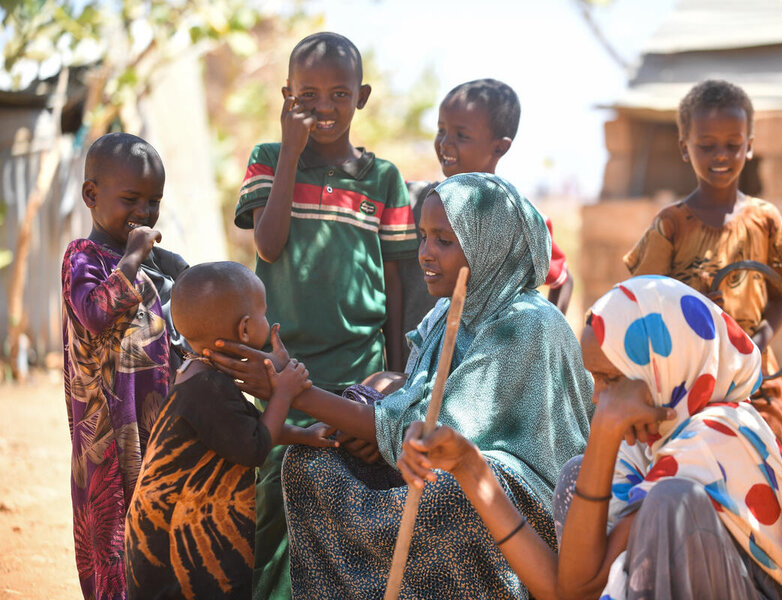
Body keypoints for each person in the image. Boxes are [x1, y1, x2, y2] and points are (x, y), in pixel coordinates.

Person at [209, 173, 593, 599]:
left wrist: (293, 391)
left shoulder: (525, 325)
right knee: (308, 465)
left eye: (444, 241)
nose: (425, 254)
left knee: (453, 497)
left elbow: (443, 433)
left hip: (516, 499)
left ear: (490, 245)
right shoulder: (449, 313)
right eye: (422, 237)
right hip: (441, 460)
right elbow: (414, 403)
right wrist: (377, 433)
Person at [399, 276, 782, 600]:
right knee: (580, 477)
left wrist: (606, 432)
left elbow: (580, 585)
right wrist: (469, 467)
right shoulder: (645, 450)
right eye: (595, 379)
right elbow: (566, 590)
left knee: (670, 505)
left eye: (611, 379)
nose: (598, 397)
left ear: (662, 369)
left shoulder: (718, 435)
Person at [232, 31, 418, 597]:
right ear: (287, 96)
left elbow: (396, 281)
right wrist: (290, 151)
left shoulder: (383, 179)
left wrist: (398, 375)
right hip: (281, 366)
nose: (324, 107)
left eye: (339, 94)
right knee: (273, 501)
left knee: (345, 503)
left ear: (360, 98)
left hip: (358, 370)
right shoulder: (269, 159)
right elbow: (267, 244)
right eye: (307, 95)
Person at [124, 262, 337, 599]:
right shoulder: (208, 387)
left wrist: (306, 435)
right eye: (264, 312)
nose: (269, 319)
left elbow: (246, 428)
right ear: (245, 329)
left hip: (166, 537)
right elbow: (253, 447)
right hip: (178, 550)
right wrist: (284, 392)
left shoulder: (197, 373)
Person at [624, 79, 782, 453]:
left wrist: (753, 346)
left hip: (755, 379)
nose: (721, 155)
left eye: (733, 145)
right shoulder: (670, 225)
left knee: (764, 464)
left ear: (749, 146)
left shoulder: (766, 221)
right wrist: (692, 308)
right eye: (707, 145)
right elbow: (642, 297)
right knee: (691, 466)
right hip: (685, 380)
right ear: (685, 148)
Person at [61, 132, 188, 600]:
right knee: (113, 534)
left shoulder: (153, 266)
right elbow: (95, 313)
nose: (145, 213)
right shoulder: (83, 256)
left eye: (154, 202)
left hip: (155, 425)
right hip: (107, 435)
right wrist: (134, 258)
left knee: (156, 528)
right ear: (92, 196)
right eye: (131, 199)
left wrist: (171, 265)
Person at [399, 79, 574, 364]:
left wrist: (541, 349)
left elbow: (563, 281)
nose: (444, 143)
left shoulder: (518, 219)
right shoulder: (414, 200)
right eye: (441, 130)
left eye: (461, 135)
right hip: (416, 362)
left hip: (479, 373)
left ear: (500, 147)